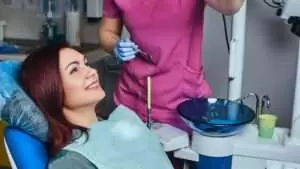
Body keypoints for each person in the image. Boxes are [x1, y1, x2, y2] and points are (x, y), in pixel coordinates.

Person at [20, 43, 174, 169]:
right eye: (74, 70)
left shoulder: (120, 123)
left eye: (86, 64)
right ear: (51, 90)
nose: (92, 72)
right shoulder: (73, 161)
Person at [98, 0, 245, 132]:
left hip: (181, 102)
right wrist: (115, 45)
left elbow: (231, 5)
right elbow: (107, 31)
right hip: (131, 99)